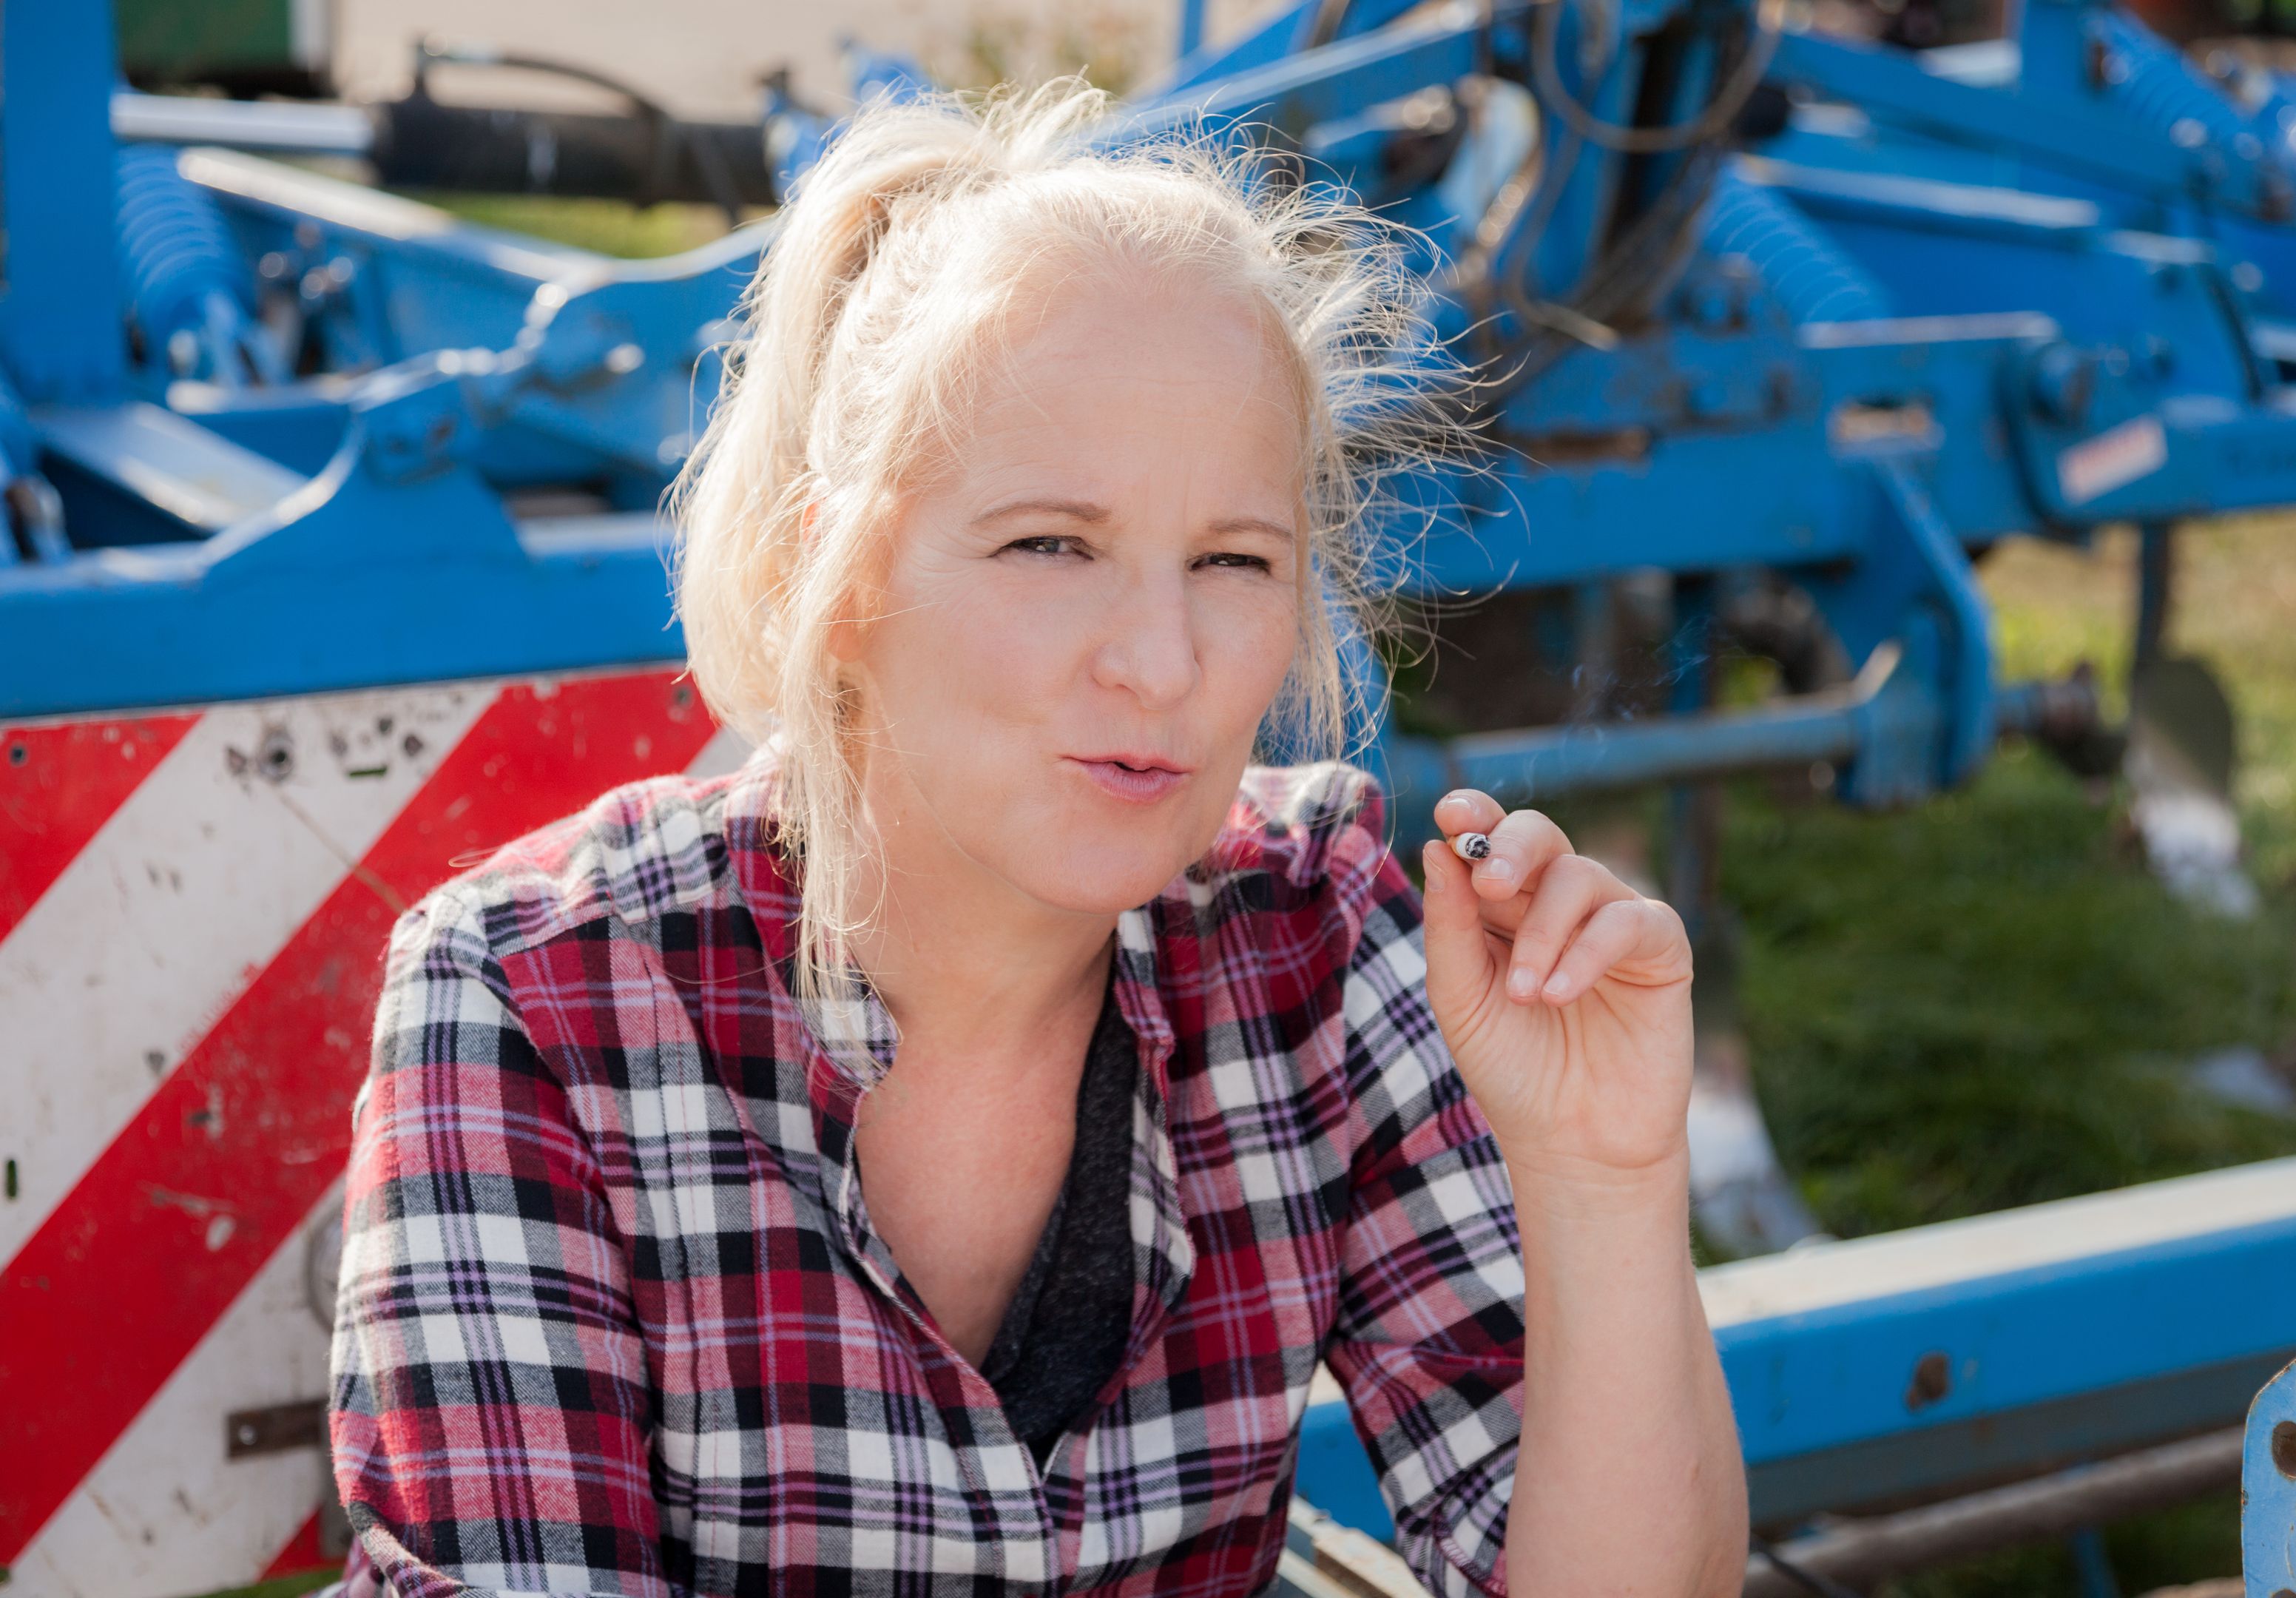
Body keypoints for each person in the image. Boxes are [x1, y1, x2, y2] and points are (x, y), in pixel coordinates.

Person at [325, 79, 1746, 1598]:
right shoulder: (536, 1004)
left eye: (1233, 560)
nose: (1163, 662)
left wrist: (1603, 1176)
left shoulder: (1309, 934)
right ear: (833, 578)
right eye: (1052, 544)